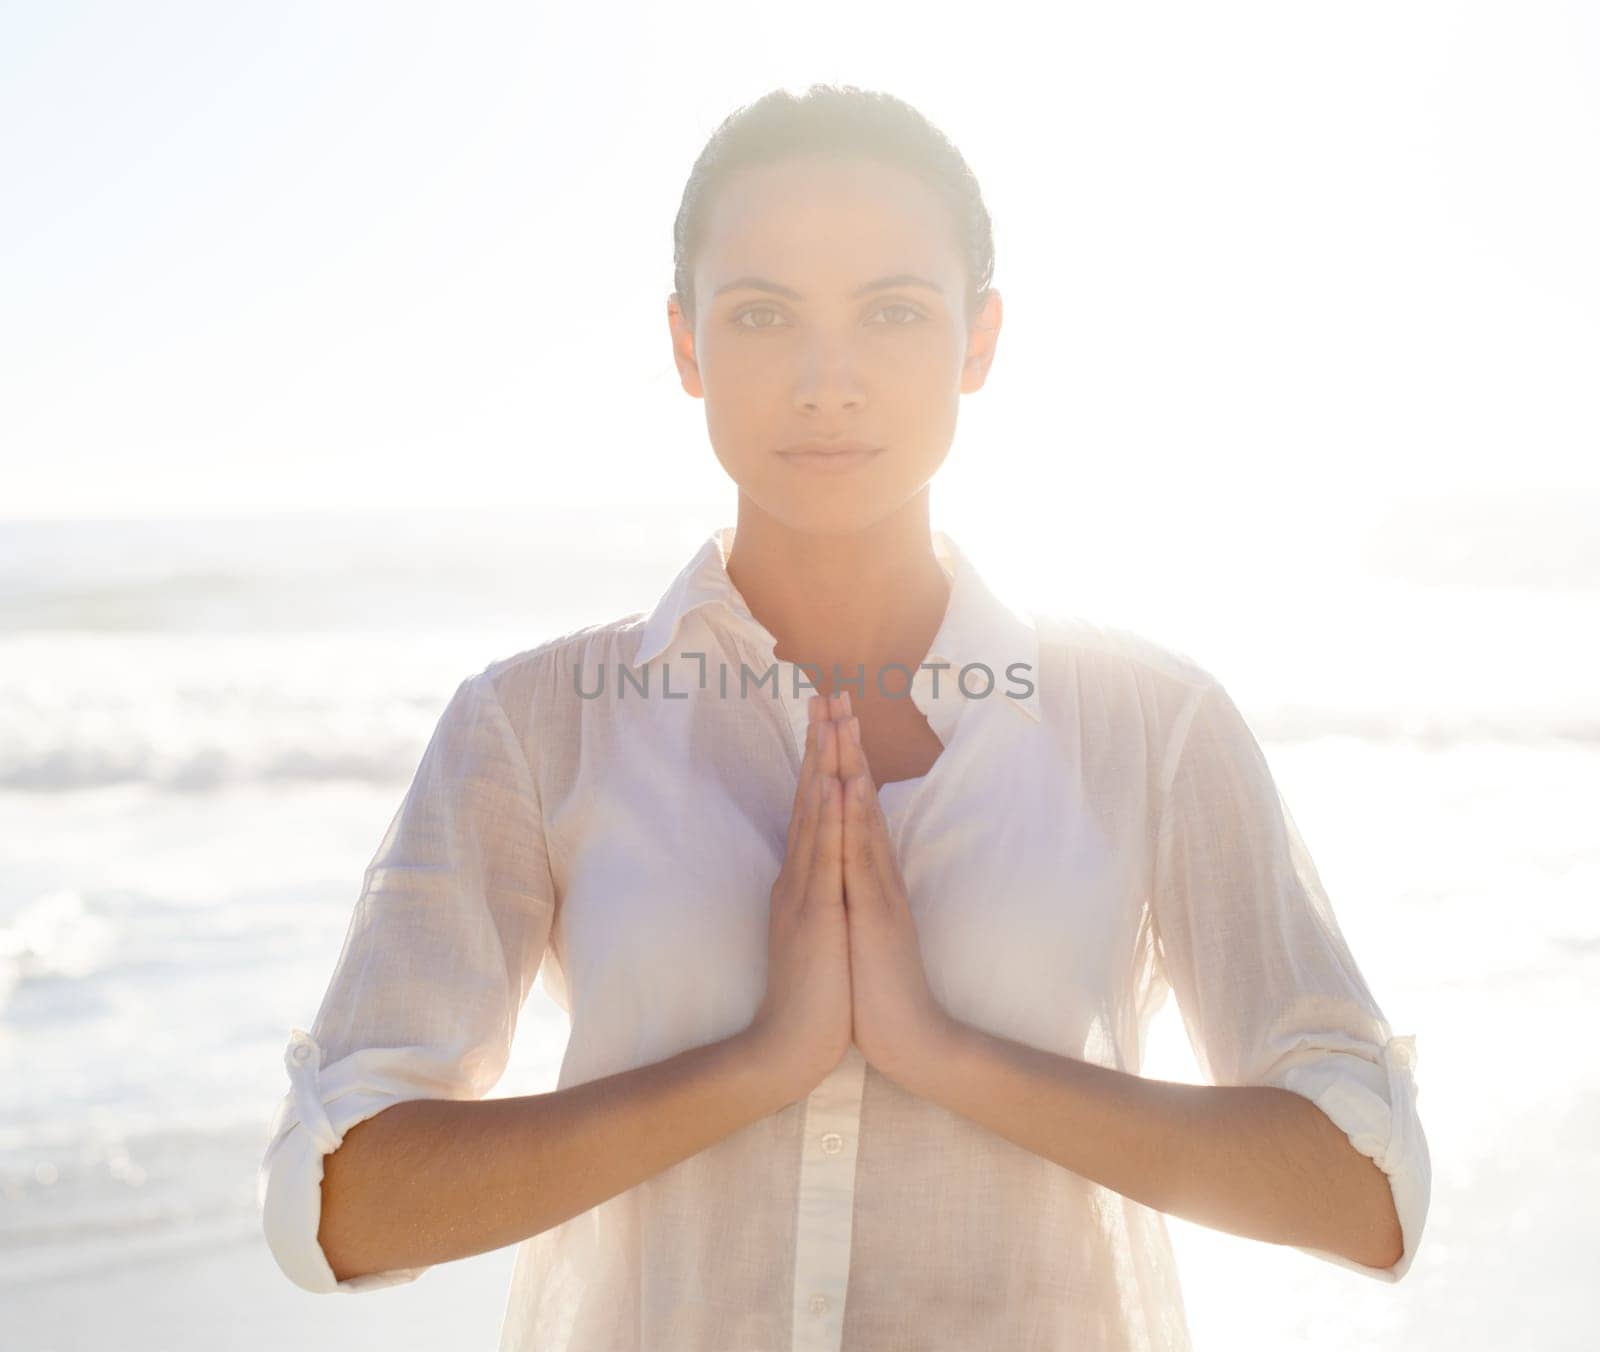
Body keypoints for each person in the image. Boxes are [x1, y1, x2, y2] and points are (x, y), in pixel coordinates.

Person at [258, 83, 1431, 1351]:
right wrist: (761, 1061)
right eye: (762, 315)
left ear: (977, 343)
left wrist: (942, 1051)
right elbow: (337, 1207)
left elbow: (1367, 1190)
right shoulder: (536, 724)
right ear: (686, 343)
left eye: (893, 311)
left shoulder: (1149, 723)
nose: (827, 383)